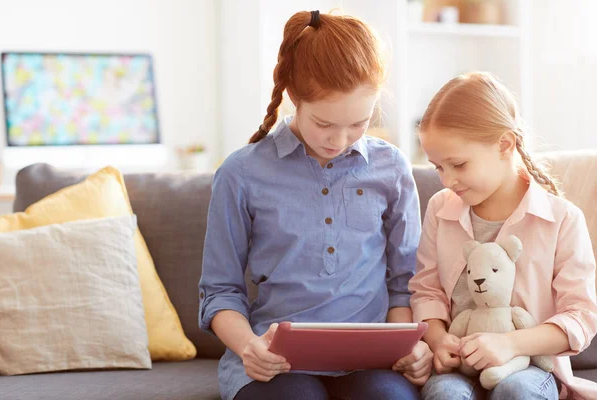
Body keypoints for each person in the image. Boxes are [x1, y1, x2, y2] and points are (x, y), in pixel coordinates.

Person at [199, 9, 432, 400]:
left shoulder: (391, 168)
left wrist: (410, 346)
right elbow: (220, 291)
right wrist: (247, 347)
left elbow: (404, 283)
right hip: (277, 366)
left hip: (371, 364)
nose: (340, 139)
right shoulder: (240, 173)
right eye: (324, 124)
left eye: (358, 123)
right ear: (293, 96)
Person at [409, 71, 597, 399]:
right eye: (438, 167)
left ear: (504, 145)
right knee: (445, 395)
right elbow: (426, 291)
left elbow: (580, 316)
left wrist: (509, 343)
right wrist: (439, 340)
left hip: (530, 367)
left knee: (517, 392)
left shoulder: (562, 219)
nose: (446, 180)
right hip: (458, 368)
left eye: (458, 164)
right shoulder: (440, 209)